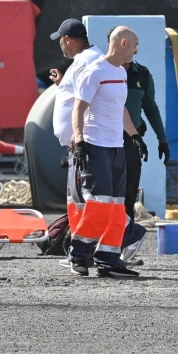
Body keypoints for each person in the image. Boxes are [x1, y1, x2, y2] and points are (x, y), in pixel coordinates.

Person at [68, 26, 144, 278]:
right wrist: (79, 141)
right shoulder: (95, 72)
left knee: (117, 207)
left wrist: (134, 136)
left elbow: (120, 109)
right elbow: (78, 109)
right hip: (95, 145)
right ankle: (79, 252)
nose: (136, 50)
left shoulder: (121, 73)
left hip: (116, 147)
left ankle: (109, 258)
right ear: (123, 43)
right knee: (100, 204)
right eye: (135, 45)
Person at [115, 33, 170, 264]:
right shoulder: (104, 71)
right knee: (105, 196)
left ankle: (124, 248)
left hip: (132, 142)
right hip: (105, 139)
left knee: (128, 194)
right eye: (134, 46)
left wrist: (162, 139)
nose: (136, 51)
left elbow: (150, 107)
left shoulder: (143, 74)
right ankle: (99, 248)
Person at [50, 19, 103, 244]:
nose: (60, 44)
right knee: (77, 198)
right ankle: (79, 248)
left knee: (82, 198)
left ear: (67, 39)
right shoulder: (85, 59)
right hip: (79, 141)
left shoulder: (85, 61)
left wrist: (78, 134)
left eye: (60, 40)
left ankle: (84, 249)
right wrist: (63, 83)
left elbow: (89, 100)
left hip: (81, 142)